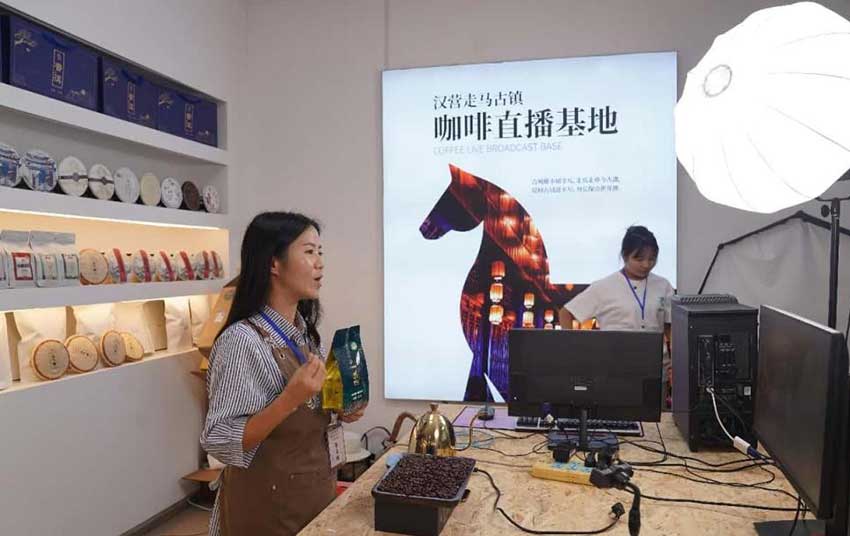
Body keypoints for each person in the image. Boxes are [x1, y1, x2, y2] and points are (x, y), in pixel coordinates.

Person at [201, 212, 365, 536]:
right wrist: (289, 398)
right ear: (273, 264)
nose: (319, 263)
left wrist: (338, 409)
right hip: (266, 512)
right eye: (308, 252)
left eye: (321, 253)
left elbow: (306, 410)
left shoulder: (303, 333)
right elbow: (219, 440)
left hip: (309, 497)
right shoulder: (241, 342)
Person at [559, 225, 674, 401]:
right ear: (625, 255)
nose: (646, 264)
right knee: (617, 422)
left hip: (656, 372)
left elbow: (670, 328)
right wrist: (574, 350)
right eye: (639, 258)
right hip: (614, 372)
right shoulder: (604, 286)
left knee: (656, 425)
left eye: (652, 259)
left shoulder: (663, 285)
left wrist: (676, 361)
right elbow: (566, 313)